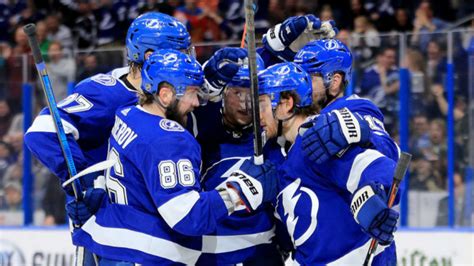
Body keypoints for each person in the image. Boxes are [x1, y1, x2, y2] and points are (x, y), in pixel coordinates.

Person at [68, 49, 276, 265]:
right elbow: (189, 217)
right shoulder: (170, 139)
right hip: (147, 256)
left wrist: (100, 204)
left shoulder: (127, 114)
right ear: (166, 94)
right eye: (192, 92)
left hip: (115, 250)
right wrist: (241, 189)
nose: (197, 103)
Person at [24, 12, 192, 265]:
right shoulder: (107, 93)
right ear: (149, 57)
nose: (187, 59)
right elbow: (42, 131)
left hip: (155, 228)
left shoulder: (176, 91)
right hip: (109, 229)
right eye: (179, 52)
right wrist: (84, 185)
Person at [258, 48, 400, 264]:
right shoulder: (280, 154)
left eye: (261, 105)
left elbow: (383, 164)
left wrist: (374, 194)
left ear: (286, 104)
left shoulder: (318, 140)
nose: (256, 114)